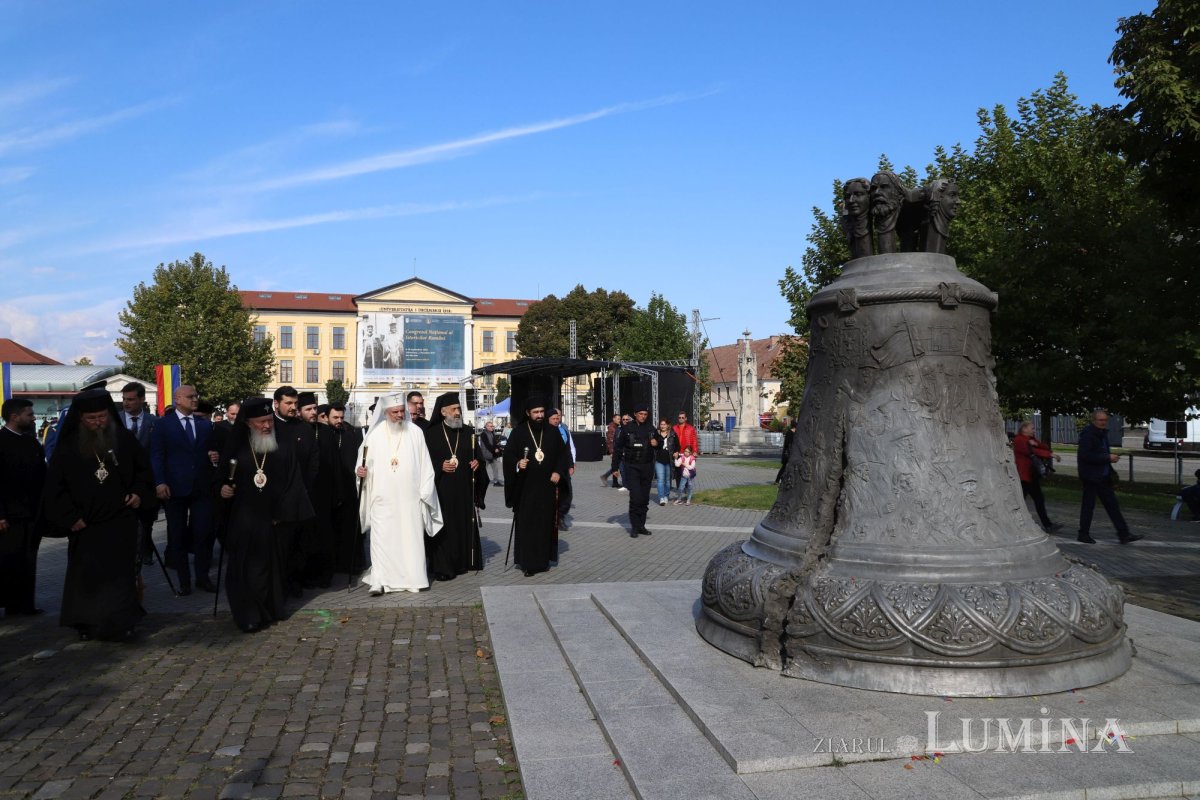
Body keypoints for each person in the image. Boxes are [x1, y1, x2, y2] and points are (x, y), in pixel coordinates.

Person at [43, 389, 152, 640]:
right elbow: (55, 488)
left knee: (120, 577)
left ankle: (122, 623)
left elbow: (144, 472)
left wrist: (138, 493)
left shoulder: (124, 439)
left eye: (102, 416)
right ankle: (87, 624)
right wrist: (70, 518)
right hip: (86, 524)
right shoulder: (68, 446)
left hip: (120, 520)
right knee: (87, 578)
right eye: (91, 418)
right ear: (80, 419)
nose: (98, 422)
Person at [218, 397, 313, 633]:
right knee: (244, 569)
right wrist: (222, 489)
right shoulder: (237, 447)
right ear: (248, 423)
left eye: (269, 420)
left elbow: (294, 483)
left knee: (270, 569)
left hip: (274, 519)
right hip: (243, 518)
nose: (267, 426)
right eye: (261, 422)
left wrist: (282, 513)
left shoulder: (284, 447)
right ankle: (248, 614)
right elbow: (220, 478)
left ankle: (270, 609)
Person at [355, 393, 442, 594]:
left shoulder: (415, 433)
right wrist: (360, 473)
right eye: (395, 412)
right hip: (382, 499)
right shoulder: (374, 435)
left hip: (410, 500)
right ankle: (379, 580)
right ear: (386, 412)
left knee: (410, 540)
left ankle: (413, 579)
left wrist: (425, 492)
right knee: (381, 540)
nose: (400, 415)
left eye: (402, 411)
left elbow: (426, 466)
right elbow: (362, 465)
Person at [150, 384, 217, 595]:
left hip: (201, 488)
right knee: (177, 535)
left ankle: (202, 577)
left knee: (202, 534)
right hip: (174, 488)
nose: (195, 399)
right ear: (177, 399)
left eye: (196, 395)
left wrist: (213, 458)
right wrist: (159, 482)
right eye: (190, 396)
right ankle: (184, 581)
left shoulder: (205, 425)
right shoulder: (163, 425)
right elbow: (157, 455)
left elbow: (209, 452)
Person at [503, 398, 567, 576]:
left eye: (541, 412)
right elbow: (508, 457)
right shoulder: (519, 432)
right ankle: (528, 563)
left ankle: (543, 561)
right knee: (528, 525)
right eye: (535, 412)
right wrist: (518, 463)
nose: (539, 415)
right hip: (526, 488)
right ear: (528, 413)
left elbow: (563, 455)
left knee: (544, 524)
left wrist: (558, 471)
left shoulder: (552, 431)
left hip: (547, 487)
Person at [423, 393, 483, 581]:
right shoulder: (431, 434)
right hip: (441, 491)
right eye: (454, 409)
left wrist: (477, 463)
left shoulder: (468, 432)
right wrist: (439, 465)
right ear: (443, 412)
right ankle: (443, 567)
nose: (458, 413)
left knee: (462, 526)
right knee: (444, 529)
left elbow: (478, 457)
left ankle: (463, 562)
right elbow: (423, 462)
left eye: (459, 409)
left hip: (464, 490)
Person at [0, 398, 47, 616]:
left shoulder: (32, 443)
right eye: (29, 414)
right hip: (8, 516)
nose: (34, 418)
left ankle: (24, 604)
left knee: (28, 560)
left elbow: (42, 477)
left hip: (31, 513)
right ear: (14, 416)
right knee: (6, 561)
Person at [272, 386, 318, 597]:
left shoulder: (304, 428)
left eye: (295, 403)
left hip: (301, 496)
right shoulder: (269, 427)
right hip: (277, 499)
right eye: (288, 403)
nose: (292, 407)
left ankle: (295, 581)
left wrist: (304, 487)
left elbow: (313, 460)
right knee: (280, 546)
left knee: (300, 544)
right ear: (276, 404)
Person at [1076, 409, 1142, 544]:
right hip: (1091, 476)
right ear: (1094, 420)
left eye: (1105, 420)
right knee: (1088, 505)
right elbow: (1085, 455)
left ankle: (1123, 534)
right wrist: (1107, 458)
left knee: (1112, 505)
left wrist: (1109, 461)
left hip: (1103, 475)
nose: (1103, 423)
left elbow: (1101, 452)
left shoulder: (1102, 433)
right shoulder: (1088, 434)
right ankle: (1083, 534)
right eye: (1100, 420)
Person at [298, 392, 336, 588]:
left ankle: (324, 575)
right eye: (308, 409)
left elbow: (335, 465)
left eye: (314, 408)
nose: (313, 412)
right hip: (302, 493)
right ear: (299, 411)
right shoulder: (294, 431)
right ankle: (304, 576)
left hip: (323, 493)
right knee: (305, 537)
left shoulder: (326, 432)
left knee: (324, 535)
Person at [119, 382, 158, 565]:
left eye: (131, 399)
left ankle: (146, 550)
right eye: (124, 399)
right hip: (123, 480)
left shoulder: (154, 422)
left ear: (142, 399)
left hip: (146, 480)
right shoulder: (115, 420)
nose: (126, 403)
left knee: (147, 519)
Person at [1012, 421, 1062, 532]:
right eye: (1032, 428)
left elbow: (1045, 447)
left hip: (1031, 476)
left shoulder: (1031, 439)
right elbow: (1031, 451)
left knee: (1039, 499)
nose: (1034, 430)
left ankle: (1048, 525)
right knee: (1020, 502)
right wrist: (1050, 454)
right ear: (1024, 429)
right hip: (1024, 477)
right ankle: (1015, 524)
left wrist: (1036, 443)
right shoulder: (1019, 440)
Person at [616, 404, 658, 537]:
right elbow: (618, 448)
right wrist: (614, 467)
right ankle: (634, 527)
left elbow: (660, 442)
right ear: (635, 414)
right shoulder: (627, 428)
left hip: (647, 467)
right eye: (640, 414)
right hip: (632, 467)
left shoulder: (651, 428)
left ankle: (641, 525)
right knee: (635, 498)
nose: (643, 416)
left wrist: (657, 443)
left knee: (644, 498)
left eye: (645, 414)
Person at [548, 409, 576, 528]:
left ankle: (561, 516)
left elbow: (568, 449)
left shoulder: (563, 430)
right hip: (550, 469)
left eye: (558, 417)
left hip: (564, 468)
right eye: (554, 418)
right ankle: (552, 519)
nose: (556, 420)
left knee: (567, 494)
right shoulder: (545, 432)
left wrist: (571, 464)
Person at [672, 411, 698, 493]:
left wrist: (695, 451)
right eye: (679, 417)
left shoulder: (691, 428)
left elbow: (694, 441)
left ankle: (686, 489)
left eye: (682, 417)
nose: (681, 419)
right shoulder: (674, 428)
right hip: (677, 453)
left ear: (686, 418)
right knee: (678, 473)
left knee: (686, 472)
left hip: (687, 453)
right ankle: (679, 489)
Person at [653, 418, 677, 506]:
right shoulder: (656, 434)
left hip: (669, 460)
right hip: (659, 460)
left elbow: (677, 446)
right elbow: (653, 446)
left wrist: (676, 452)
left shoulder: (673, 434)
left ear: (668, 425)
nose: (662, 426)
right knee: (660, 480)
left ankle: (666, 495)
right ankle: (661, 497)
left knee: (667, 480)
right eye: (661, 424)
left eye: (664, 424)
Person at [600, 413, 623, 489]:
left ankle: (614, 482)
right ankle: (606, 477)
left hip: (616, 450)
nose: (619, 420)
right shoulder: (612, 428)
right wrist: (611, 452)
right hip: (614, 451)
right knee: (617, 465)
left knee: (616, 466)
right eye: (618, 419)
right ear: (614, 419)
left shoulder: (616, 427)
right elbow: (610, 441)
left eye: (620, 419)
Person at [479, 420, 504, 487]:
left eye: (492, 426)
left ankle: (496, 481)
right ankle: (481, 481)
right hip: (486, 454)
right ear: (487, 427)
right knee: (483, 469)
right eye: (491, 426)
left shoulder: (492, 433)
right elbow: (487, 444)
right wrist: (494, 449)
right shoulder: (483, 434)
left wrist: (497, 448)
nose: (492, 427)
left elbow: (494, 443)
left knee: (495, 468)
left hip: (492, 455)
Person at [775, 419, 796, 484]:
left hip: (792, 452)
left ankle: (783, 479)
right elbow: (787, 444)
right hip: (789, 452)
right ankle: (778, 480)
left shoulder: (795, 433)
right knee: (784, 467)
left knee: (788, 467)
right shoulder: (789, 432)